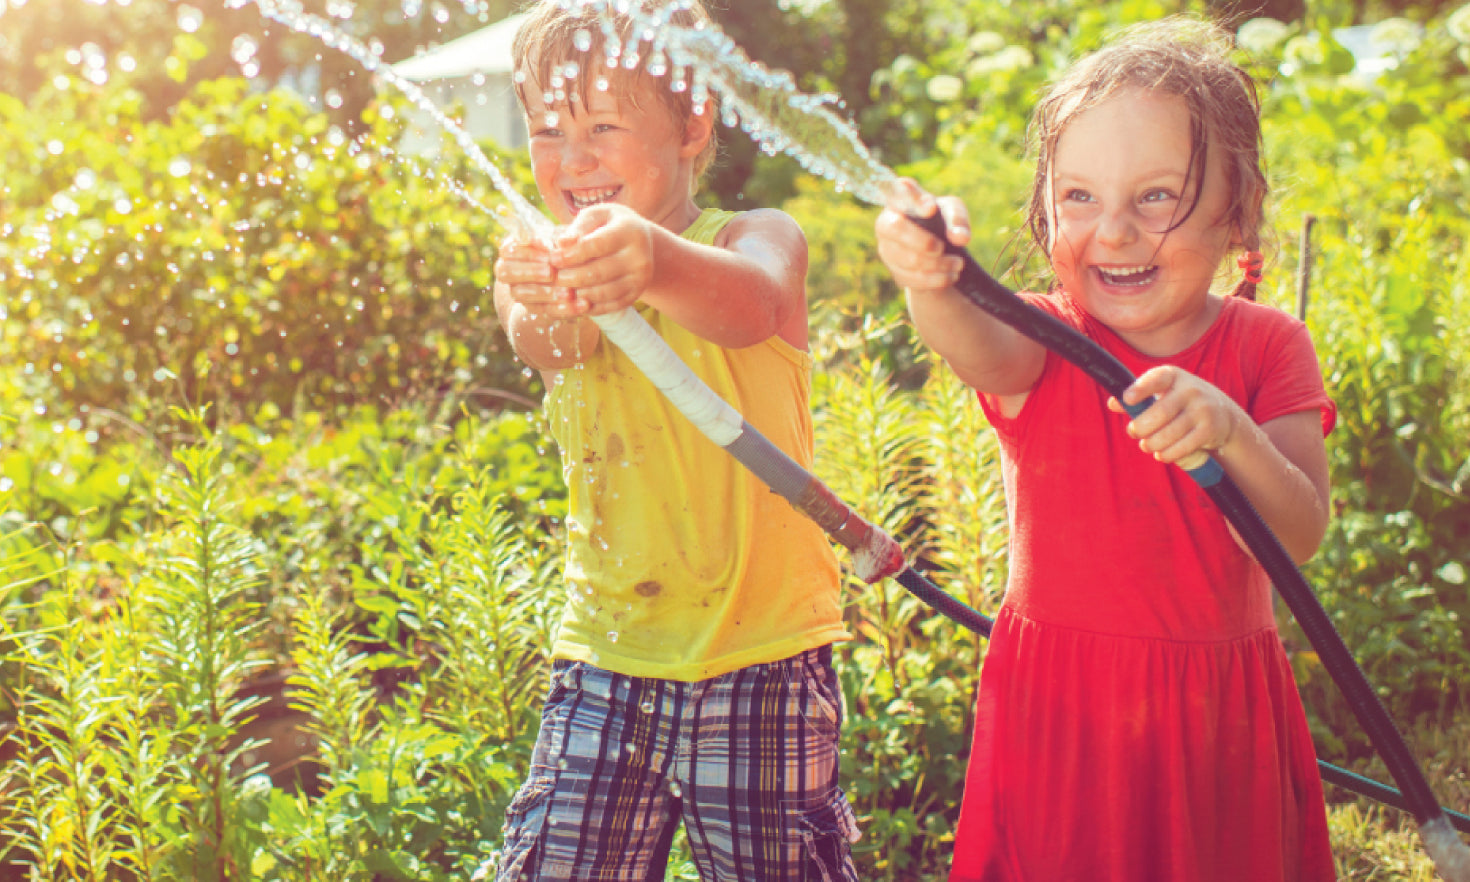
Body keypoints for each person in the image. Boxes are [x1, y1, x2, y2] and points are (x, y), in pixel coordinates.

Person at [874, 18, 1338, 882]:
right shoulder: (1044, 335)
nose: (1114, 232)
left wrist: (1230, 430)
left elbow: (1297, 535)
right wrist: (928, 282)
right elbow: (973, 345)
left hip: (1214, 717)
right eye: (1079, 197)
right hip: (1062, 712)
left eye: (1156, 196)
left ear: (1238, 210)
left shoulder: (1269, 349)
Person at [487, 2, 860, 880]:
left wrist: (650, 259)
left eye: (603, 125)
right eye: (548, 130)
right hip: (605, 659)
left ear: (693, 121)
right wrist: (544, 293)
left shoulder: (750, 239)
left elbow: (753, 306)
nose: (571, 159)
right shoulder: (538, 262)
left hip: (760, 658)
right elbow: (546, 342)